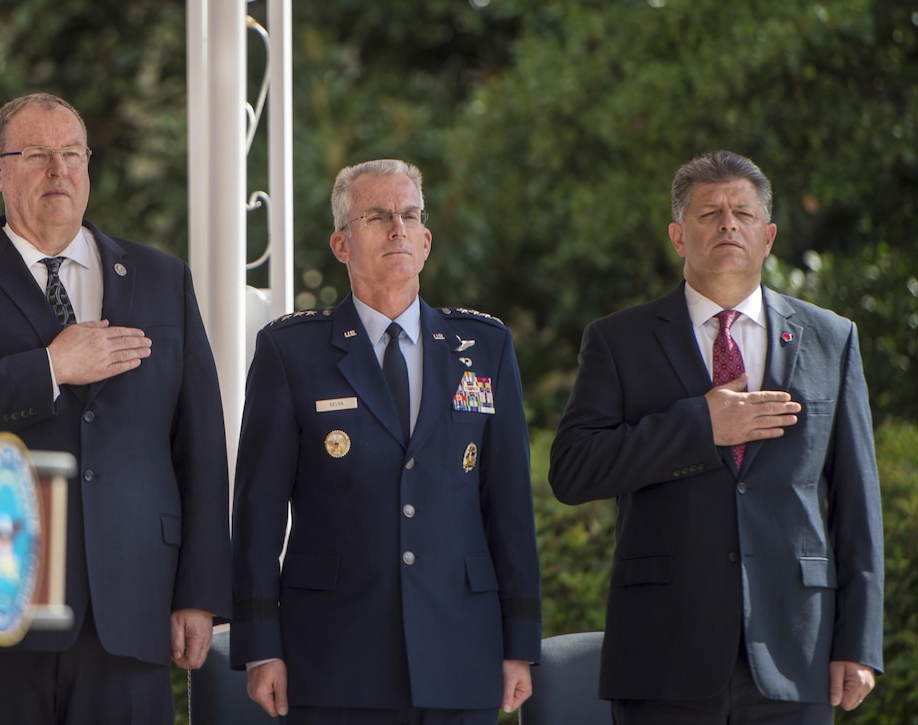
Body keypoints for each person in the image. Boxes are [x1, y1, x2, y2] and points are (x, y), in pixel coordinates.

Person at [0, 92, 232, 725]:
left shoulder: (161, 279)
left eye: (72, 153)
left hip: (133, 609)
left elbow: (201, 448)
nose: (58, 170)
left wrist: (200, 596)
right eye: (37, 154)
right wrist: (50, 367)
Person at [548, 150, 884, 724]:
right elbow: (574, 470)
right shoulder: (617, 341)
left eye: (742, 213)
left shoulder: (833, 339)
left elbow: (857, 504)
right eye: (709, 213)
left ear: (768, 235)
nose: (728, 224)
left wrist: (859, 644)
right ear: (678, 236)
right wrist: (699, 425)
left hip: (795, 653)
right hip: (661, 656)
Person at [230, 159, 541, 724]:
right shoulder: (291, 351)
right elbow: (258, 513)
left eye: (409, 215)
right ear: (341, 244)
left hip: (460, 650)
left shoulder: (484, 346)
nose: (398, 228)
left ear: (426, 241)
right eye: (376, 216)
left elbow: (511, 506)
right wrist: (261, 643)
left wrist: (519, 641)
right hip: (334, 654)